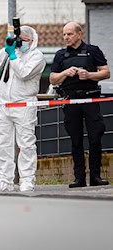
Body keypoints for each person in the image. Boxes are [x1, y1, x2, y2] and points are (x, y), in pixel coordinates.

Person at [50, 22, 110, 188]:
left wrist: (89, 74)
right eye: (64, 34)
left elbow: (106, 72)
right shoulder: (60, 55)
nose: (66, 37)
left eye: (69, 34)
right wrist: (65, 73)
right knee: (76, 140)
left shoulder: (93, 51)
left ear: (79, 34)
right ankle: (79, 178)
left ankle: (96, 176)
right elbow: (52, 78)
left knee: (95, 137)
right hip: (71, 101)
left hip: (90, 100)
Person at [0, 26, 46, 192]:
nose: (22, 43)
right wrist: (6, 50)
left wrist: (13, 56)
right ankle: (4, 180)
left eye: (25, 40)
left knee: (26, 143)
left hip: (24, 103)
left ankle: (27, 179)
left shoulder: (37, 56)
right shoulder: (12, 51)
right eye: (20, 39)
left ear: (33, 40)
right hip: (3, 103)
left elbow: (24, 73)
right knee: (2, 143)